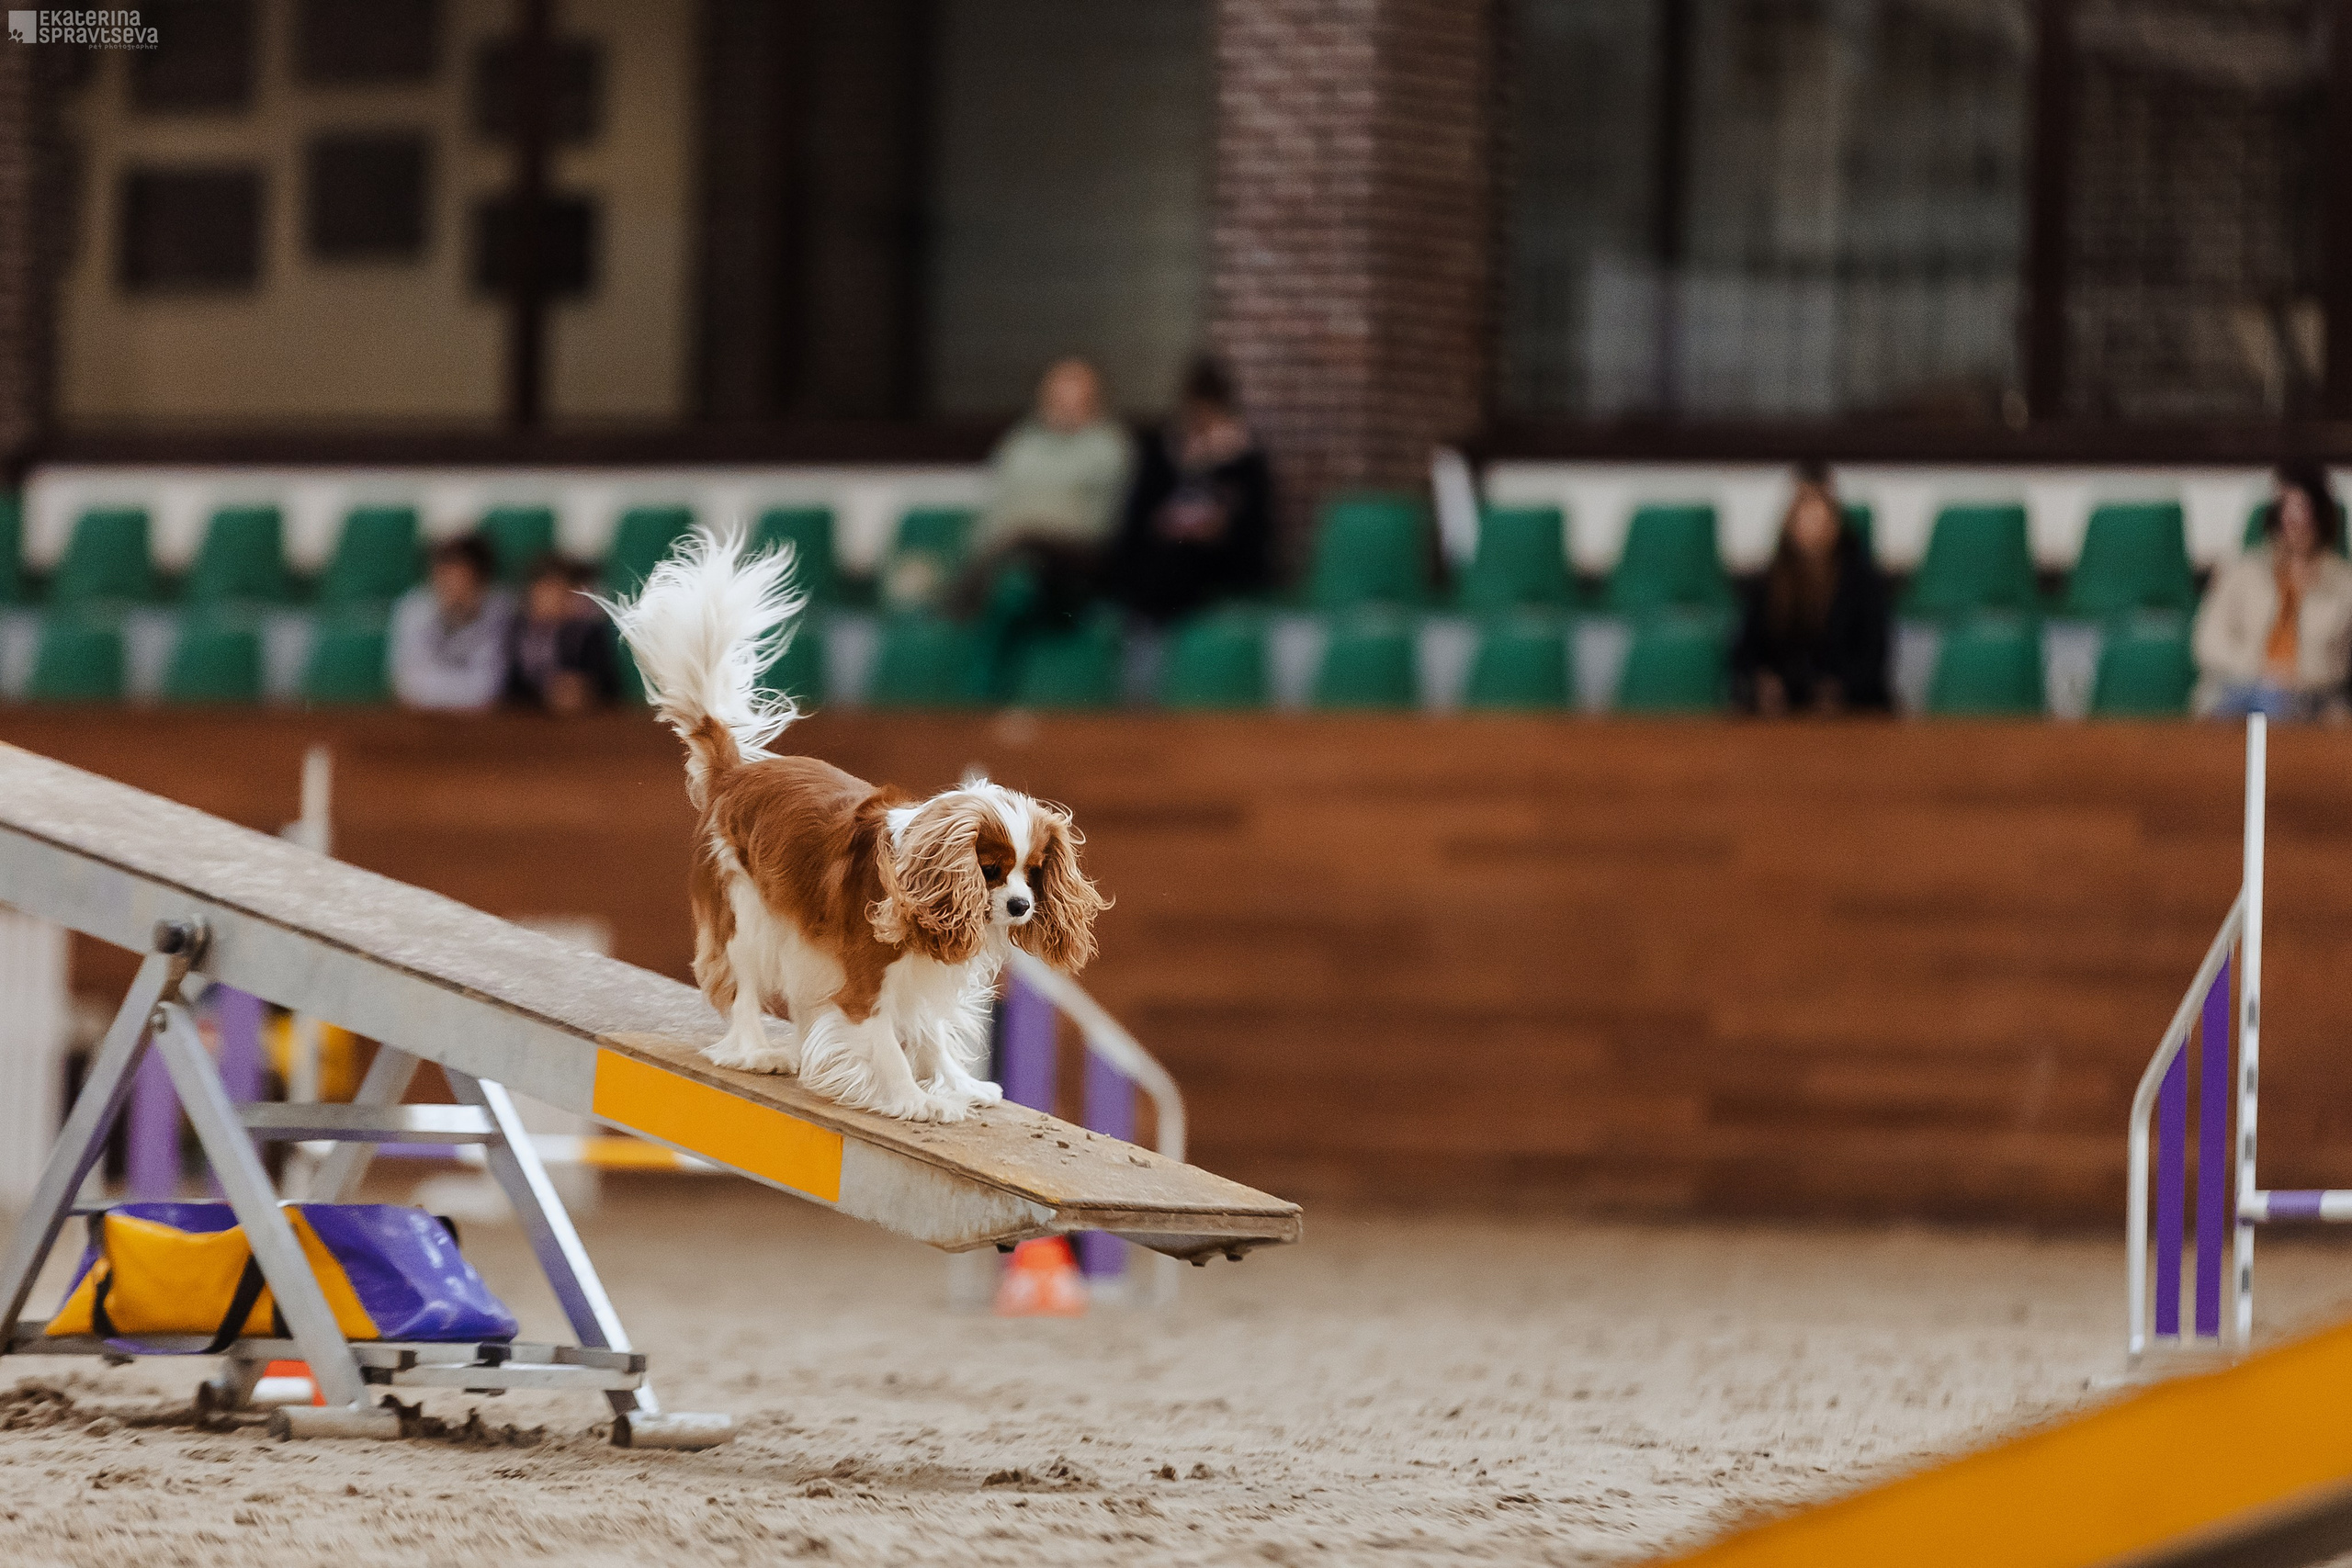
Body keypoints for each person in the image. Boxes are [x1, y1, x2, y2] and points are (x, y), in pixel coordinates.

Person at [944, 357, 1134, 626]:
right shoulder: (1021, 444)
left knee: (1021, 549)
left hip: (1073, 555)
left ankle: (959, 608)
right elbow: (996, 507)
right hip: (1009, 550)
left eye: (1074, 398)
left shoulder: (1109, 448)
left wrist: (1034, 530)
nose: (1063, 406)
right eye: (1056, 397)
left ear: (1094, 401)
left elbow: (1102, 524)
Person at [1106, 355, 1274, 621]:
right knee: (1157, 562)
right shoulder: (1164, 451)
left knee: (1179, 563)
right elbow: (1141, 513)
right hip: (1166, 551)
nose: (1201, 421)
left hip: (1216, 559)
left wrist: (1216, 525)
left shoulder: (1244, 459)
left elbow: (1253, 526)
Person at [2193, 462, 2352, 721]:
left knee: (2276, 702)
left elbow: (2338, 664)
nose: (2295, 527)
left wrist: (2292, 676)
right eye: (2288, 517)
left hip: (2309, 697)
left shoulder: (2344, 583)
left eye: (2305, 517)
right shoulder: (2242, 571)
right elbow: (2208, 641)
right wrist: (2259, 669)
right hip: (2241, 686)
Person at [1731, 463, 1892, 716]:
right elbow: (1745, 653)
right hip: (1781, 712)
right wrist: (1762, 682)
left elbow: (1874, 657)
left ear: (1835, 522)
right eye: (1803, 515)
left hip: (1850, 712)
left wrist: (1839, 689)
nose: (1812, 528)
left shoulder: (1861, 583)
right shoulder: (1770, 583)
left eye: (1819, 517)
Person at [390, 535, 513, 711]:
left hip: (480, 726)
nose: (452, 584)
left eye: (461, 576)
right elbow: (406, 684)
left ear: (479, 578)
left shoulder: (499, 610)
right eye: (444, 575)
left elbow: (489, 687)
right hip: (424, 722)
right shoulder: (413, 609)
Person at [506, 554, 621, 714]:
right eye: (544, 590)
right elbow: (509, 687)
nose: (551, 599)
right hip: (529, 721)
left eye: (558, 590)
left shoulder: (589, 633)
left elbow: (608, 686)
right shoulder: (515, 630)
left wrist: (584, 689)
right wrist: (545, 691)